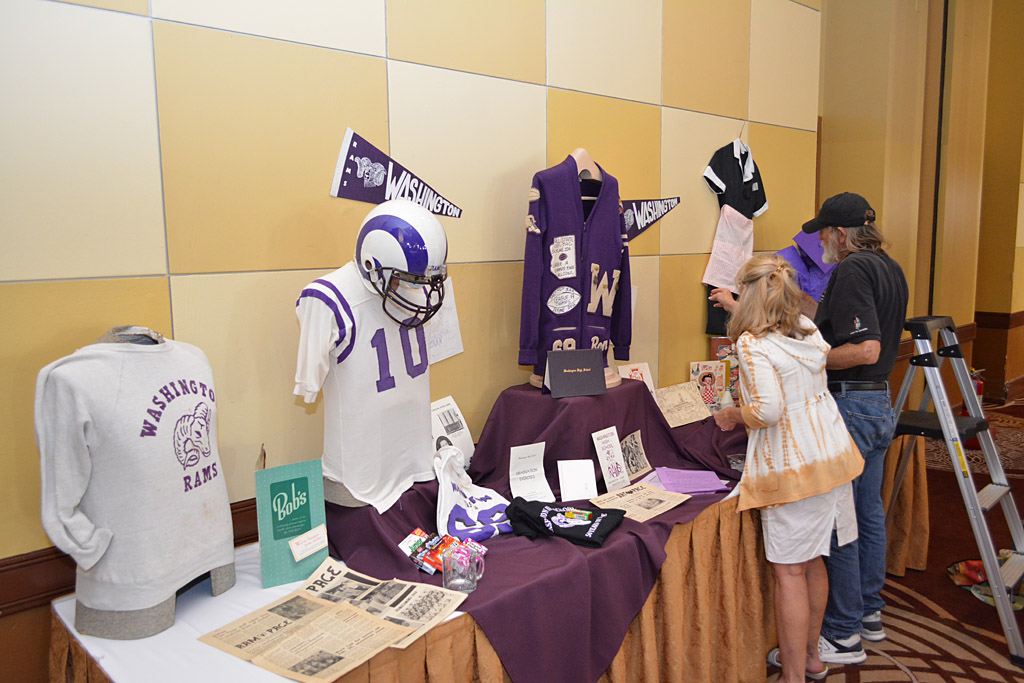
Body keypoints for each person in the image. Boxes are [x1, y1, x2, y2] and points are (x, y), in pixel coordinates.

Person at [714, 254, 864, 682]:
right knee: (814, 559)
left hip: (791, 466)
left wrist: (731, 416)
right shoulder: (806, 327)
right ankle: (812, 656)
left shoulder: (751, 344)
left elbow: (767, 410)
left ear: (750, 295)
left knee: (789, 573)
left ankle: (794, 675)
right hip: (831, 455)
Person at [799, 192, 908, 664]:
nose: (821, 239)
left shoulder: (851, 270)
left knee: (841, 522)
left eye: (824, 231)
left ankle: (842, 634)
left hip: (851, 405)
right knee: (867, 512)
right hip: (878, 403)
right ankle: (867, 612)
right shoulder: (890, 267)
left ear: (841, 234)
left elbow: (863, 348)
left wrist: (809, 357)